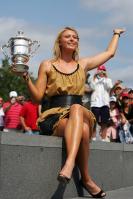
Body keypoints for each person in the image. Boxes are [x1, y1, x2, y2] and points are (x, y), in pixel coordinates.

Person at [12, 27, 125, 198]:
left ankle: (69, 163)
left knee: (77, 108)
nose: (73, 39)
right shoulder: (47, 65)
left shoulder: (83, 64)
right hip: (54, 116)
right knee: (85, 130)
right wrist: (26, 77)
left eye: (76, 37)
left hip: (79, 111)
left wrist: (116, 34)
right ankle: (86, 179)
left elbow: (109, 53)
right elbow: (36, 99)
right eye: (68, 36)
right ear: (60, 41)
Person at [89, 65, 113, 141]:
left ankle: (103, 138)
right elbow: (92, 87)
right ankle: (93, 137)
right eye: (100, 70)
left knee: (104, 122)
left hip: (104, 103)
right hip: (95, 103)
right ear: (97, 71)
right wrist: (94, 77)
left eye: (103, 70)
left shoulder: (108, 80)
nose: (101, 72)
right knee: (94, 121)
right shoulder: (93, 79)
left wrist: (105, 78)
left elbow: (109, 87)